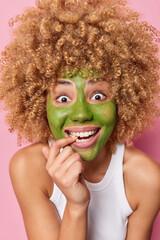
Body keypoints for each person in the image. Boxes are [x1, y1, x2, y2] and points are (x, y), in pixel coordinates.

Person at [0, 0, 160, 239]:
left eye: (97, 95)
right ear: (40, 105)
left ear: (122, 100)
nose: (81, 113)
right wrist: (77, 204)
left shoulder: (146, 177)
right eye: (63, 98)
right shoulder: (29, 168)